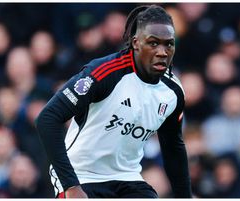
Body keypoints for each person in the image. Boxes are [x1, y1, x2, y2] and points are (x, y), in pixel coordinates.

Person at [35, 5, 192, 198]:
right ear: (136, 43)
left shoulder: (173, 91)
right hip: (81, 175)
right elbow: (47, 119)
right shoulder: (103, 73)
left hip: (127, 177)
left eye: (169, 44)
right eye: (153, 43)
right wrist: (71, 186)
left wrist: (185, 196)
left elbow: (173, 147)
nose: (162, 52)